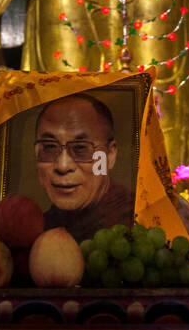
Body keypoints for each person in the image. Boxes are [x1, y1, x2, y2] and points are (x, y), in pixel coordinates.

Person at [34, 93, 134, 241]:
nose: (63, 166)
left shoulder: (136, 219)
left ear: (110, 156)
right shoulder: (38, 229)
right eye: (49, 147)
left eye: (80, 148)